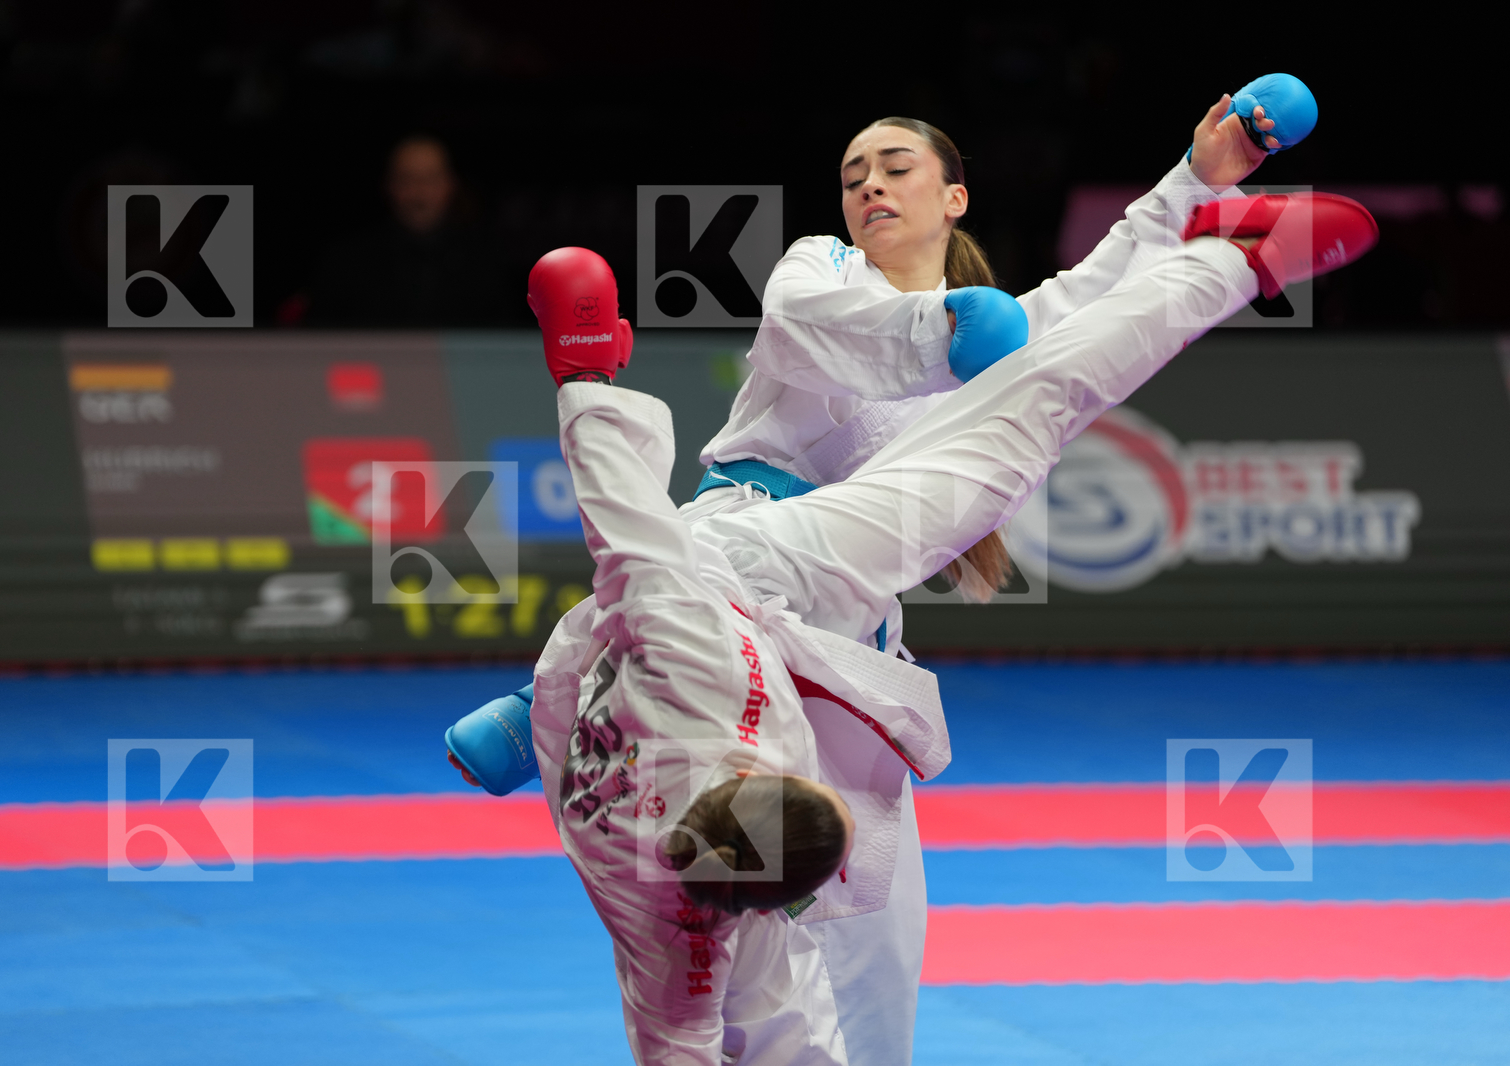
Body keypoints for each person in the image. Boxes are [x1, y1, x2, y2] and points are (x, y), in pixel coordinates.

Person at [451, 79, 1313, 1063]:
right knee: (728, 949)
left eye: (896, 167)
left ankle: (557, 694)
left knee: (871, 965)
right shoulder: (815, 272)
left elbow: (1094, 293)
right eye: (853, 172)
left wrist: (1196, 177)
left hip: (844, 643)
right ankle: (558, 690)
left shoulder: (1004, 328)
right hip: (746, 551)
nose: (869, 184)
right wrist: (945, 333)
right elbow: (839, 325)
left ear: (954, 197)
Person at [306, 133, 500, 325]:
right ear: (389, 185)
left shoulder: (484, 261)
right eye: (407, 180)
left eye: (430, 179)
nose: (420, 194)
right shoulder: (347, 261)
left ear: (450, 185)